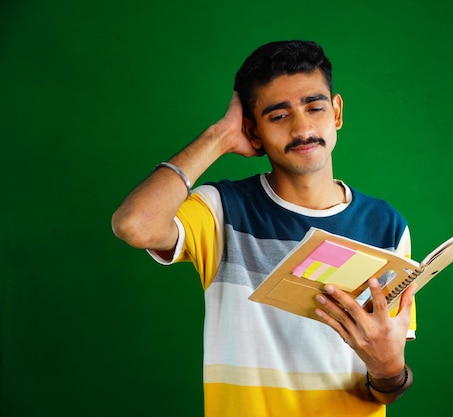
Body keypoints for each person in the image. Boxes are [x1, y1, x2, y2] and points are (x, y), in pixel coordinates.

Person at [111, 40, 418, 417]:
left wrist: (389, 369)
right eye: (278, 116)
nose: (303, 128)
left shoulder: (387, 226)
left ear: (336, 112)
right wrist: (219, 137)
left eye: (315, 107)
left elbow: (384, 389)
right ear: (253, 132)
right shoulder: (221, 210)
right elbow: (135, 224)